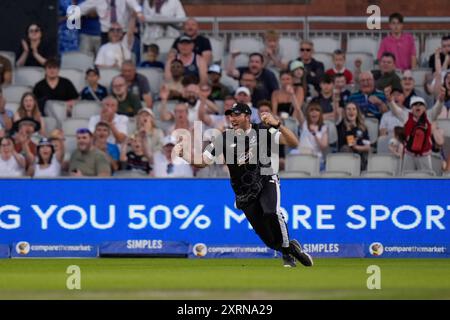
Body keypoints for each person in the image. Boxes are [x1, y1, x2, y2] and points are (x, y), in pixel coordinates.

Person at [175, 102, 312, 268]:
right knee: (268, 240)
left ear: (247, 116)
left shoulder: (262, 130)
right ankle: (291, 248)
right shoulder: (223, 138)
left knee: (271, 212)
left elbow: (293, 142)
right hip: (244, 192)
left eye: (236, 114)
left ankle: (287, 253)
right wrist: (185, 156)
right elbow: (203, 162)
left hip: (266, 178)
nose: (232, 118)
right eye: (230, 115)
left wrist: (278, 125)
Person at [385, 86, 446, 172]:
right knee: (407, 178)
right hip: (409, 155)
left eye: (421, 104)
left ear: (424, 108)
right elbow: (395, 110)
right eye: (415, 104)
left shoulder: (429, 116)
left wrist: (441, 100)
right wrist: (390, 100)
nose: (418, 106)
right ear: (411, 108)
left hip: (424, 155)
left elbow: (437, 109)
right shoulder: (406, 116)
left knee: (426, 178)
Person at [80, 0, 145, 45]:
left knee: (123, 56)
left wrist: (139, 13)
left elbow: (134, 4)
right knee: (106, 55)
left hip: (123, 31)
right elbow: (82, 8)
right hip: (106, 32)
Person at [290, 101, 329, 170]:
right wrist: (292, 94)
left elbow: (323, 146)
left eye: (317, 110)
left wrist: (315, 133)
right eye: (311, 110)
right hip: (301, 155)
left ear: (320, 114)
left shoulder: (324, 128)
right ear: (308, 113)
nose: (314, 112)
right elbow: (298, 109)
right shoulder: (304, 123)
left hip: (315, 157)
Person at [336, 102, 371, 171]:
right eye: (348, 109)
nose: (351, 111)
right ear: (345, 112)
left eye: (354, 109)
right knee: (345, 148)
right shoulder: (341, 126)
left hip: (360, 157)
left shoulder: (363, 128)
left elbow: (368, 147)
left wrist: (356, 147)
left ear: (357, 112)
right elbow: (350, 144)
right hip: (345, 158)